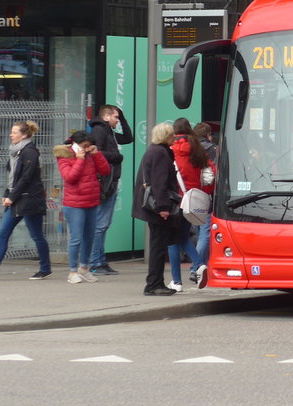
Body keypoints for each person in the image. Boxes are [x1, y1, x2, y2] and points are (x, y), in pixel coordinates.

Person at [0, 120, 52, 280]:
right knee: (3, 232)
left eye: (14, 132)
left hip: (29, 200)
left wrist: (11, 196)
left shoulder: (30, 152)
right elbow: (13, 177)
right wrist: (6, 193)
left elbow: (26, 178)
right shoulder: (15, 152)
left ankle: (45, 268)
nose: (11, 135)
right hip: (16, 199)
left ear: (24, 135)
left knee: (36, 235)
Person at [54, 130, 108, 284]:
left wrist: (97, 154)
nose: (87, 148)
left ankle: (84, 268)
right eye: (85, 146)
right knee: (76, 238)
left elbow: (105, 170)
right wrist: (79, 160)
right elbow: (70, 177)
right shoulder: (65, 155)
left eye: (89, 146)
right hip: (74, 203)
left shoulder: (91, 154)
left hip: (91, 201)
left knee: (89, 237)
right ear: (77, 144)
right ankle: (72, 271)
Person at [132, 122, 180, 296]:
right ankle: (154, 284)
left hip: (153, 207)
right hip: (157, 208)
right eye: (171, 135)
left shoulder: (154, 151)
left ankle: (154, 283)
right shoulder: (160, 153)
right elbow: (159, 183)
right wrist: (164, 207)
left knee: (157, 245)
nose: (174, 137)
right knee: (158, 247)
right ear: (165, 136)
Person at [87, 104, 134, 276]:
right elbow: (95, 152)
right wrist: (117, 157)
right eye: (115, 117)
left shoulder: (109, 131)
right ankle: (95, 262)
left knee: (103, 224)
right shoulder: (100, 130)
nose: (117, 120)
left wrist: (122, 118)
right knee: (100, 224)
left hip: (110, 182)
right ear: (106, 117)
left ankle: (100, 261)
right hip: (104, 182)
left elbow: (129, 138)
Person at [168, 118, 210, 291]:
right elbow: (209, 176)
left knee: (173, 240)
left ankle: (179, 280)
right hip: (193, 199)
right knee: (182, 237)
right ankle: (196, 266)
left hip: (177, 199)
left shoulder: (171, 151)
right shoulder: (198, 150)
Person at [192, 122, 218, 264]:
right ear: (208, 135)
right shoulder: (212, 149)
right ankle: (197, 267)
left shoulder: (190, 148)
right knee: (205, 233)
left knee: (197, 231)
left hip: (191, 195)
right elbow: (213, 173)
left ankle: (199, 265)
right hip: (206, 195)